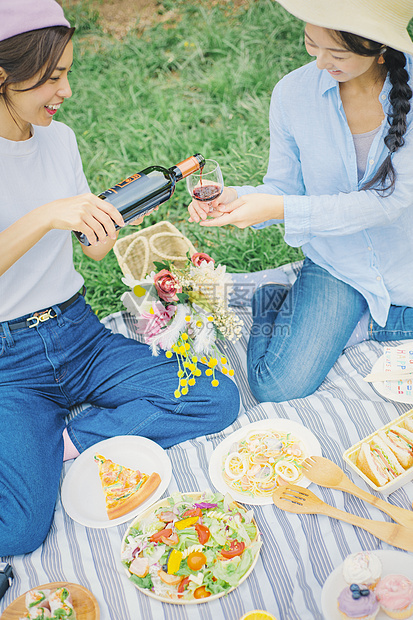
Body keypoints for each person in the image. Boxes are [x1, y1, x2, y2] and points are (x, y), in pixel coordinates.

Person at [0, 0, 240, 556]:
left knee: (216, 396)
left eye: (67, 73)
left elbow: (84, 244)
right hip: (10, 362)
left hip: (77, 333)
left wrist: (99, 241)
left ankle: (66, 441)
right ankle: (34, 445)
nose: (65, 91)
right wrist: (44, 217)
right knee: (17, 532)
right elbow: (48, 219)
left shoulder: (58, 139)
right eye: (52, 78)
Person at [188, 0, 413, 404]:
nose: (321, 62)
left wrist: (283, 210)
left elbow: (390, 203)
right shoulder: (292, 94)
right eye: (312, 44)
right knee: (276, 385)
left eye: (338, 53)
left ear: (380, 48)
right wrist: (238, 198)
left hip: (405, 256)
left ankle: (361, 324)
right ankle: (271, 298)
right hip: (336, 263)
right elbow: (282, 188)